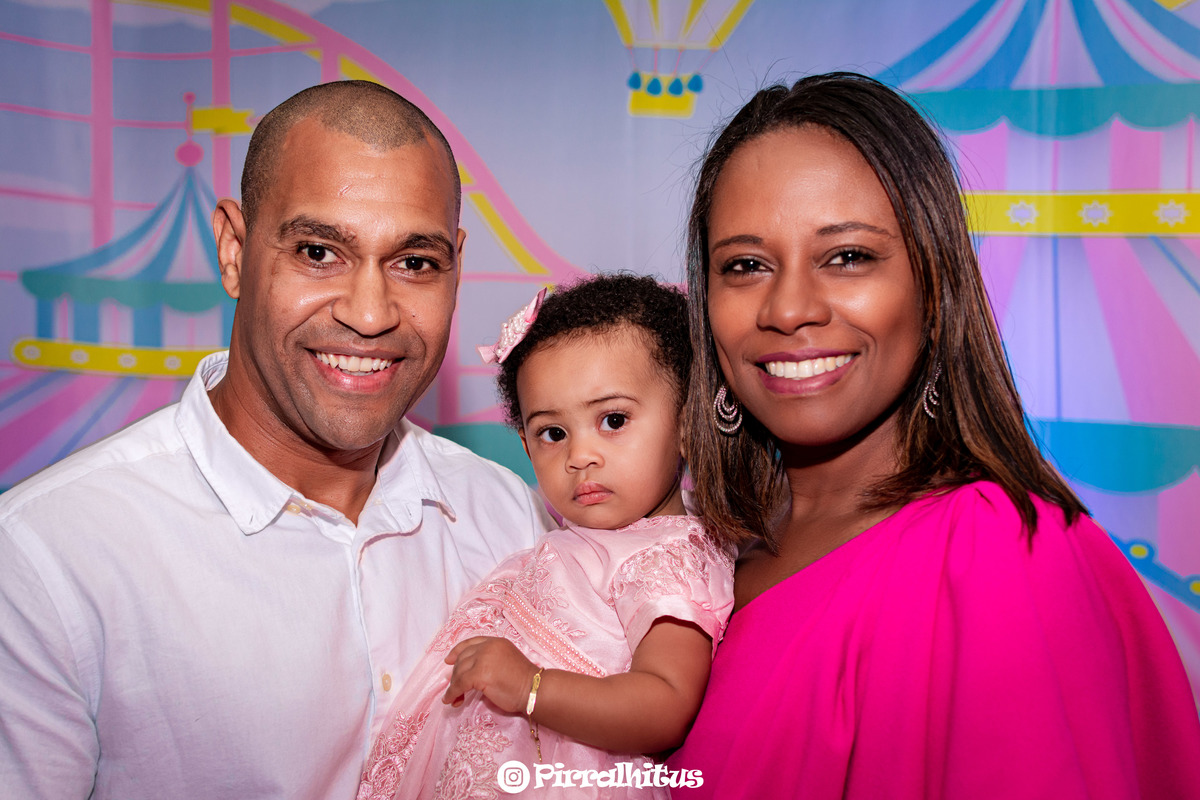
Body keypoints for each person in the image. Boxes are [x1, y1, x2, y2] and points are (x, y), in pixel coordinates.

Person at [0, 80, 548, 799]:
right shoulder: (48, 558)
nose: (370, 313)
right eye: (320, 252)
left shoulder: (508, 518)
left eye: (414, 262)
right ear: (233, 250)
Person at [668, 72, 1200, 798]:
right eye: (747, 265)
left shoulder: (997, 555)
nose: (788, 308)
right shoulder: (686, 554)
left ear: (933, 280)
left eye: (848, 256)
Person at [357, 274, 733, 799]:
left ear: (689, 424)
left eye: (613, 419)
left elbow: (665, 703)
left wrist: (531, 687)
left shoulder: (669, 556)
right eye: (553, 433)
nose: (579, 456)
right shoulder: (577, 539)